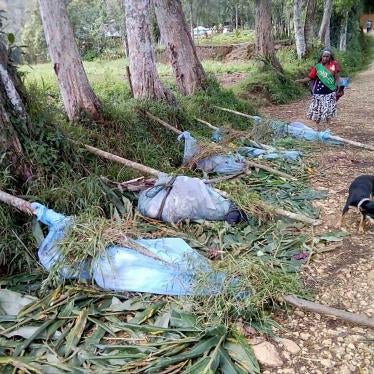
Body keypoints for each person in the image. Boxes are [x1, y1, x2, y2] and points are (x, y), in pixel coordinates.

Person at [296, 49, 341, 125]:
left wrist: (338, 87)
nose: (325, 58)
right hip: (318, 93)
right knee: (317, 111)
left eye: (327, 56)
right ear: (321, 56)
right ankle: (317, 127)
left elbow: (337, 78)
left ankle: (327, 127)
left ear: (330, 57)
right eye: (324, 56)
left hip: (329, 92)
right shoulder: (317, 67)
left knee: (327, 111)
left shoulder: (333, 65)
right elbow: (310, 77)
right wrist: (300, 81)